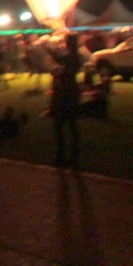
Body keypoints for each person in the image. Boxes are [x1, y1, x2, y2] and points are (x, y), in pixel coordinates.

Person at [50, 33, 83, 169]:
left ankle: (62, 154)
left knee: (61, 125)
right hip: (72, 93)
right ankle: (73, 154)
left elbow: (64, 71)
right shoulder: (75, 57)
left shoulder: (71, 58)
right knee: (71, 125)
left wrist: (58, 74)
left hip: (66, 94)